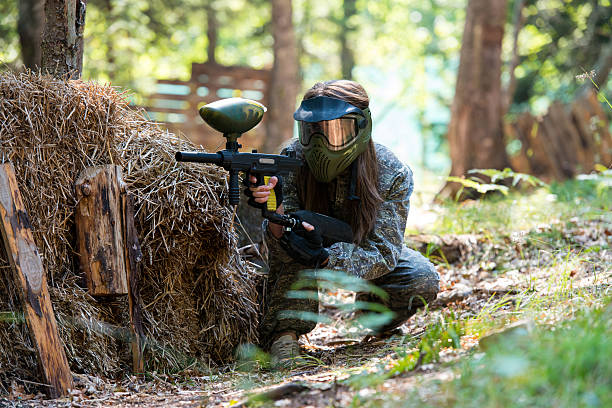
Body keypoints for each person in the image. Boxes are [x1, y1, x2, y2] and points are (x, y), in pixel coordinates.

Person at [245, 79, 439, 366]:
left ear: (362, 127)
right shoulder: (289, 159)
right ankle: (284, 336)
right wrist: (273, 208)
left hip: (359, 248)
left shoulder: (391, 171)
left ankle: (375, 319)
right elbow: (278, 238)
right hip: (302, 245)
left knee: (421, 277)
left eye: (336, 131)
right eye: (314, 131)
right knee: (292, 241)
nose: (323, 143)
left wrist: (326, 258)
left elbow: (384, 253)